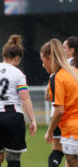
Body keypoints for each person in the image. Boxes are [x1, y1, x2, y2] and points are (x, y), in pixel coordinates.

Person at [0, 35, 37, 167]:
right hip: (12, 117)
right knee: (13, 158)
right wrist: (32, 120)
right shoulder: (18, 73)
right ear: (17, 58)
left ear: (3, 54)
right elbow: (25, 98)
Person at [42, 38, 78, 167]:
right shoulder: (75, 71)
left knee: (57, 150)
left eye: (65, 47)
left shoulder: (59, 74)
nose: (42, 65)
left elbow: (57, 108)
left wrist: (49, 131)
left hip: (70, 128)